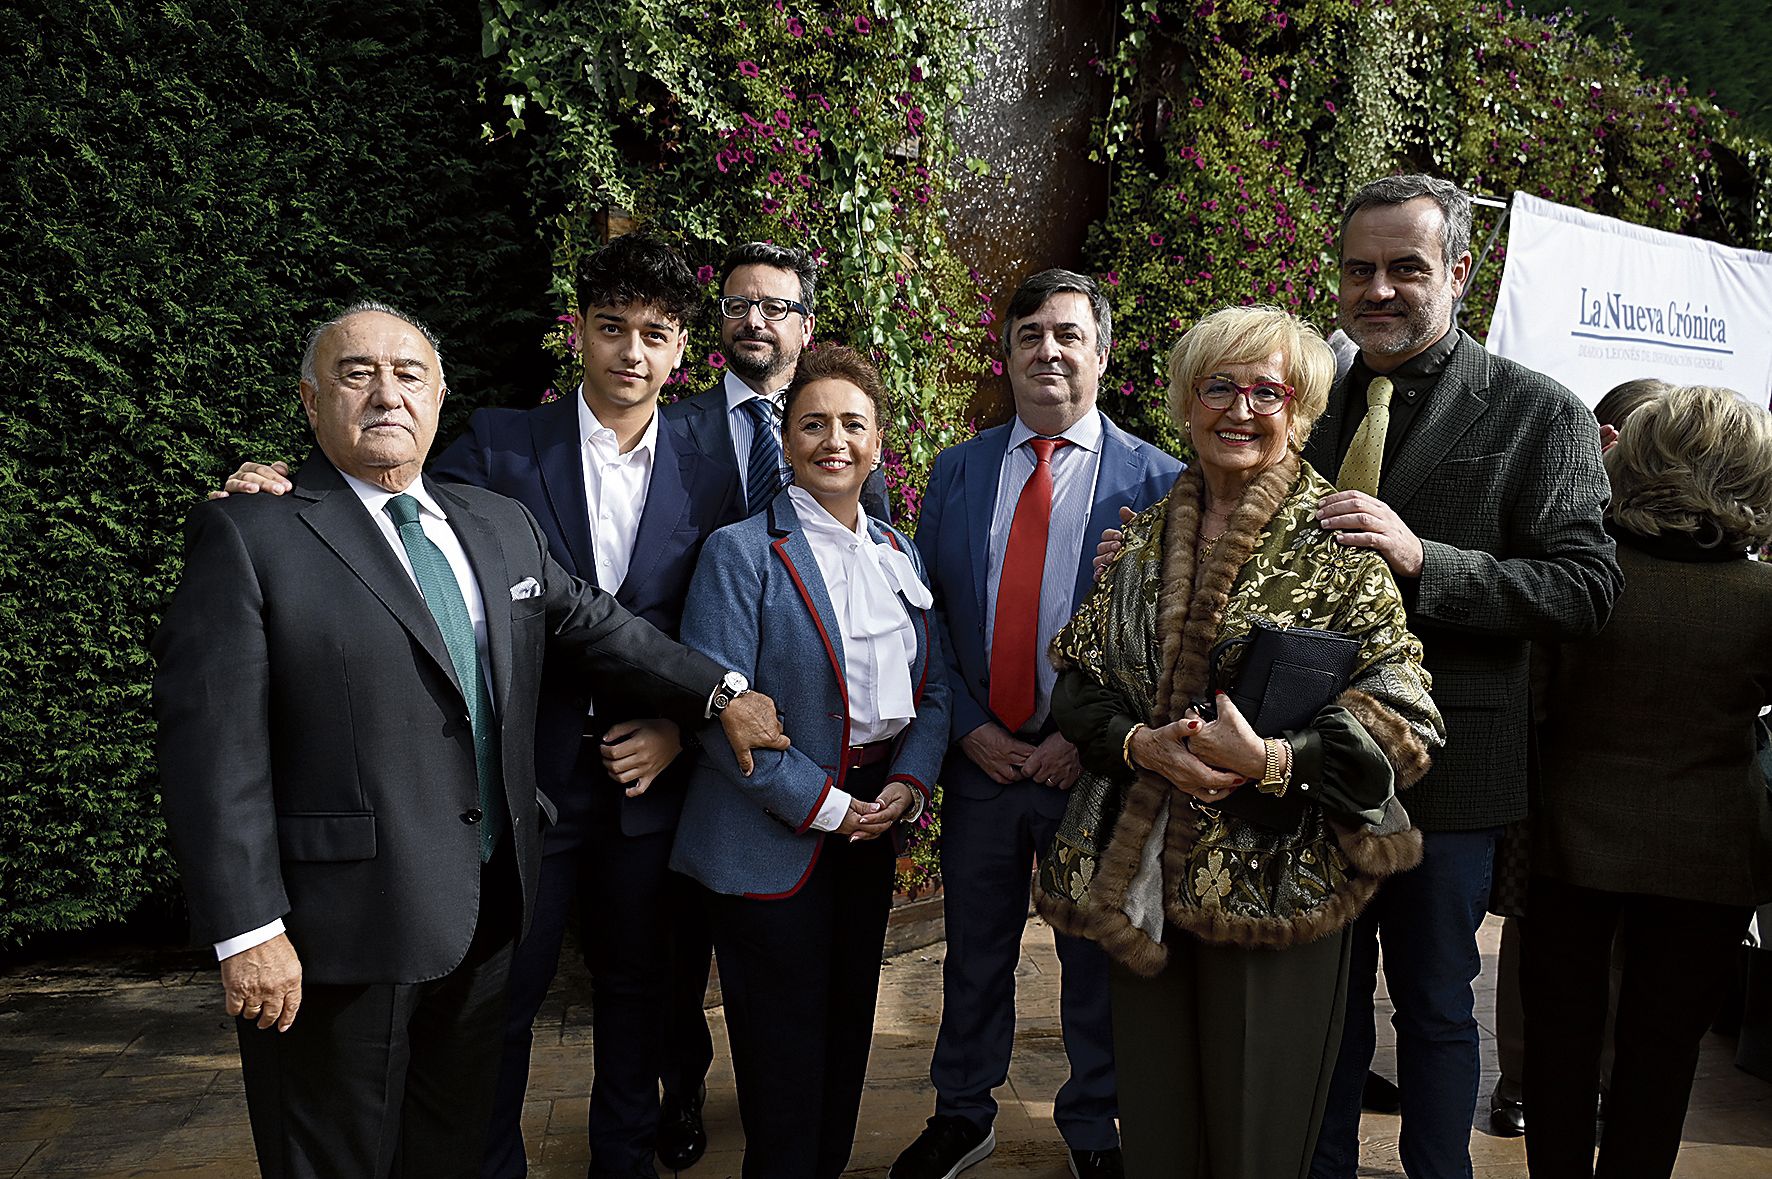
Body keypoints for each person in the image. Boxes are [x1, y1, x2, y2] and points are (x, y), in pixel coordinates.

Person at [152, 302, 786, 1179]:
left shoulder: (495, 523)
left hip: (486, 916)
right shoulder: (252, 531)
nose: (386, 394)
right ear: (308, 398)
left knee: (450, 1151)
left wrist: (718, 694)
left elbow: (603, 629)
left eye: (408, 374)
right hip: (340, 935)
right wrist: (247, 929)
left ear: (441, 396)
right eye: (356, 373)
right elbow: (210, 749)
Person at [1035, 304, 1442, 1178]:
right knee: (1158, 1132)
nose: (1241, 408)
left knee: (1259, 1140)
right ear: (1187, 402)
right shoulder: (1142, 540)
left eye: (1268, 390)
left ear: (1298, 411)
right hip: (1143, 885)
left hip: (1276, 883)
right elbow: (1077, 684)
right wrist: (1142, 744)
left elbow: (1406, 720)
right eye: (1220, 386)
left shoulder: (1341, 549)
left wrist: (1273, 760)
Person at [1301, 174, 1622, 1179]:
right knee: (1323, 1007)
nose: (1379, 289)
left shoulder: (1537, 414)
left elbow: (1583, 589)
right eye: (1359, 269)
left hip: (1450, 773)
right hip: (1302, 757)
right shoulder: (1303, 399)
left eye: (1405, 267)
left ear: (1457, 271)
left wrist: (1423, 559)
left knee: (1436, 1003)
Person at [893, 269, 1182, 1179]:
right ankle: (962, 1109)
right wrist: (971, 725)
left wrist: (1080, 737)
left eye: (1068, 334)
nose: (1048, 351)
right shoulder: (958, 468)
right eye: (1029, 335)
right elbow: (926, 612)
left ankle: (1096, 1125)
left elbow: (1169, 645)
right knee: (974, 953)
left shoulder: (1163, 482)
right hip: (982, 761)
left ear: (1101, 352)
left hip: (1092, 768)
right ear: (1007, 353)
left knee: (1092, 961)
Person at [668, 344, 950, 1178]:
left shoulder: (899, 550)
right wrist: (828, 805)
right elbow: (721, 729)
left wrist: (909, 783)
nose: (835, 440)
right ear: (785, 440)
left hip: (871, 822)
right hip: (776, 831)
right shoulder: (740, 553)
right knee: (782, 1060)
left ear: (878, 441)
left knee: (844, 1038)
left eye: (853, 424)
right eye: (814, 423)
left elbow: (933, 692)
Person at [1522, 385, 1772, 1178]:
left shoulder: (1584, 577)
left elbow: (1534, 700)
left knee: (1558, 1044)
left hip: (1568, 842)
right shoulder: (1763, 596)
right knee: (1663, 1056)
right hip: (1709, 854)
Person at [1485, 376, 1673, 1139]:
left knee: (1624, 948)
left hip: (1644, 794)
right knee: (1538, 939)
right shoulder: (1560, 527)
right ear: (1602, 439)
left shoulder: (1696, 555)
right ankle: (1523, 1078)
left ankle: (1593, 1081)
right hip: (1550, 777)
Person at [666, 241, 891, 521]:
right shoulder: (670, 430)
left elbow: (872, 537)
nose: (753, 321)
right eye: (737, 306)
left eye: (773, 308)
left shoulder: (851, 435)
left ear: (806, 327)